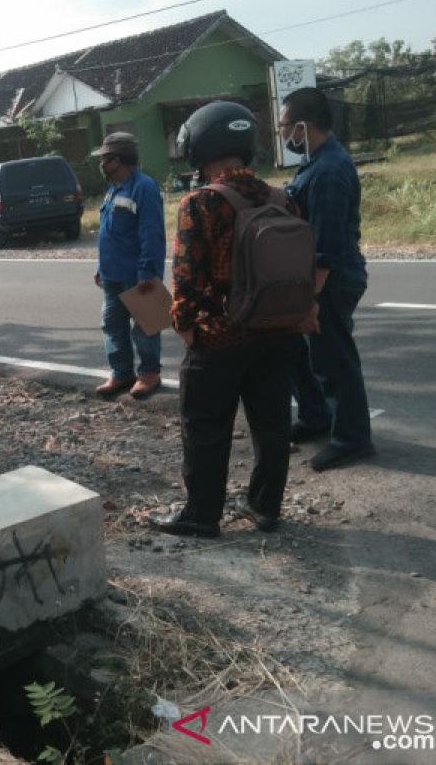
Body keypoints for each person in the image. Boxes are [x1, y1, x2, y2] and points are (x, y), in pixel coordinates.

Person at [153, 102, 310, 538]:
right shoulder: (284, 199)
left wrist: (185, 325)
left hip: (219, 337)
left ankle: (203, 515)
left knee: (205, 427)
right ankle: (266, 507)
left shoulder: (201, 203)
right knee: (272, 424)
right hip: (277, 331)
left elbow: (186, 276)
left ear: (202, 145)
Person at [279, 87, 375, 471]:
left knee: (333, 360)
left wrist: (311, 300)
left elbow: (327, 245)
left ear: (303, 126)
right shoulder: (317, 163)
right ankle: (316, 418)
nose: (284, 135)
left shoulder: (330, 170)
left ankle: (352, 439)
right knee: (303, 353)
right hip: (315, 279)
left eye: (286, 126)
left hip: (330, 281)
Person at [91, 132, 167, 400]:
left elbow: (152, 233)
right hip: (113, 274)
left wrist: (148, 272)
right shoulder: (113, 189)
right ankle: (121, 373)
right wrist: (102, 266)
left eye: (104, 159)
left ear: (117, 160)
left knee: (145, 325)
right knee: (112, 324)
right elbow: (109, 233)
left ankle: (149, 374)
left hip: (137, 274)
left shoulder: (143, 187)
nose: (101, 165)